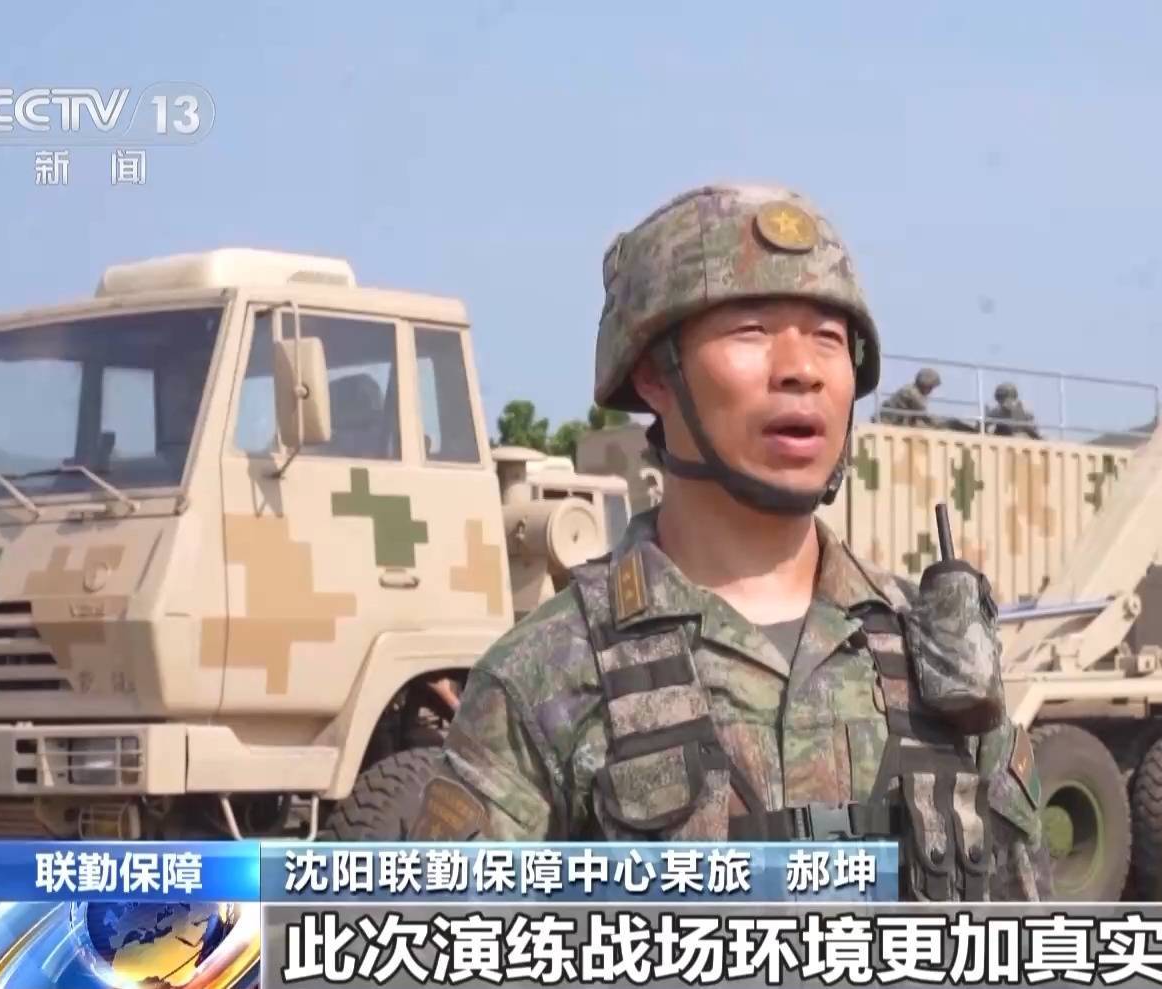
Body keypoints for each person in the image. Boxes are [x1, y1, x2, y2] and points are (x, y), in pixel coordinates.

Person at [413, 183, 1048, 902]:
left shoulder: (939, 662)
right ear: (654, 373)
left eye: (828, 337)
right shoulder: (546, 676)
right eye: (751, 329)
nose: (802, 368)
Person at [877, 367, 941, 427]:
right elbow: (924, 415)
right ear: (925, 385)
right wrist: (942, 423)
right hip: (886, 422)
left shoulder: (913, 391)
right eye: (930, 387)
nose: (931, 391)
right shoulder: (911, 392)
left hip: (894, 422)